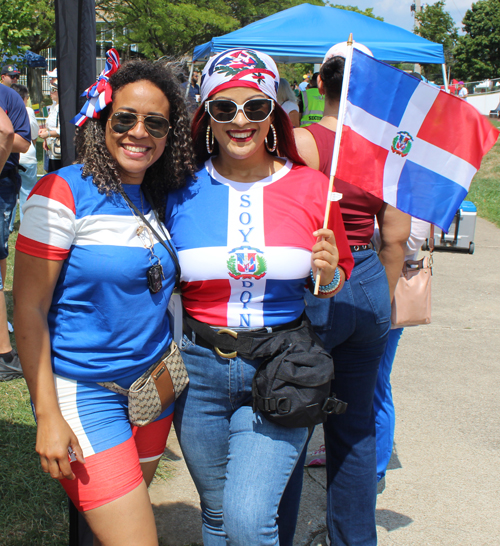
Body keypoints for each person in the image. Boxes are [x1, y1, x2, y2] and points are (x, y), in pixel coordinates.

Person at [164, 48, 354, 546]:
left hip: (282, 365)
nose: (241, 120)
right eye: (225, 108)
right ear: (207, 115)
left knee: (249, 521)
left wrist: (329, 275)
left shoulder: (314, 187)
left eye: (256, 106)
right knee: (217, 515)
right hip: (198, 369)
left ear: (274, 113)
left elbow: (334, 279)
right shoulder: (178, 190)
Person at [13, 52, 196, 545]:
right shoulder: (60, 192)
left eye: (155, 123)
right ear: (101, 120)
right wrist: (47, 414)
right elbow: (27, 309)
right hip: (84, 394)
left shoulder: (162, 195)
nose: (140, 132)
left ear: (169, 134)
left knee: (104, 530)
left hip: (154, 388)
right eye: (126, 119)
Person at [281, 41, 411, 546]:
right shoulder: (388, 152)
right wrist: (381, 302)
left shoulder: (302, 142)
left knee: (292, 417)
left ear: (319, 84)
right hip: (371, 280)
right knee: (356, 429)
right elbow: (395, 239)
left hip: (319, 276)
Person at [373, 218, 430, 483]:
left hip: (391, 296)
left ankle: (374, 470)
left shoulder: (412, 192)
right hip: (365, 291)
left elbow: (411, 240)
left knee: (376, 384)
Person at [0, 84, 30, 382]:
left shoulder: (8, 97)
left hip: (5, 181)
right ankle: (4, 352)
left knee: (1, 250)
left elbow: (19, 140)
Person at [11, 84, 39, 223]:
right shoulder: (27, 110)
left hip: (10, 155)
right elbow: (33, 133)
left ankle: (8, 224)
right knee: (27, 192)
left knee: (9, 193)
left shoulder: (6, 109)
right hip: (27, 156)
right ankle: (26, 223)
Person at [38, 83, 61, 172]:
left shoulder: (61, 108)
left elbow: (62, 130)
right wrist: (45, 132)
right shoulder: (53, 107)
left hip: (58, 150)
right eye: (51, 90)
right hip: (51, 149)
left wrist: (47, 134)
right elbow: (51, 126)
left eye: (54, 90)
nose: (51, 93)